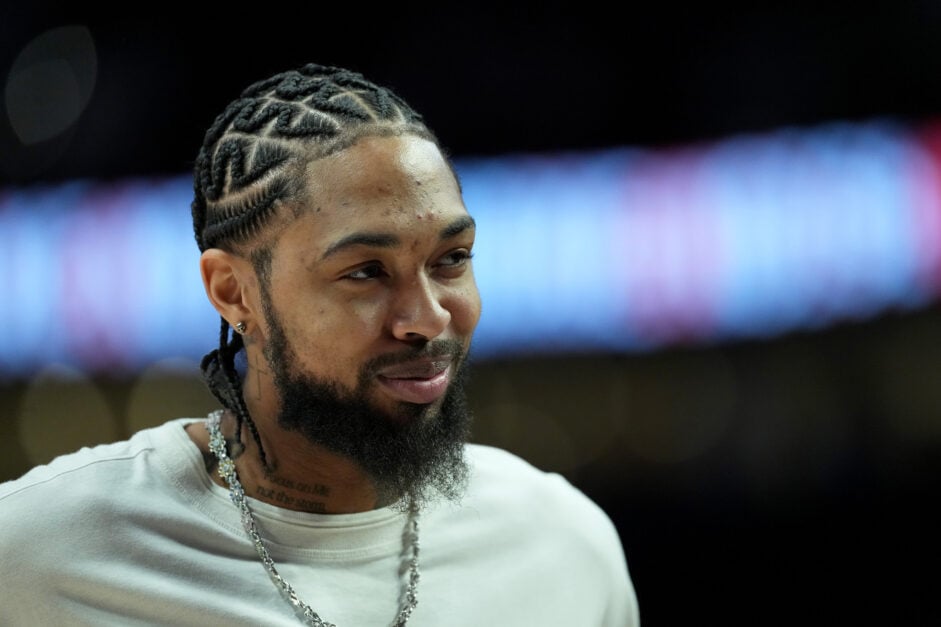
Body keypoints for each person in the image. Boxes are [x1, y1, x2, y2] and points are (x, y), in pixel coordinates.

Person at [0, 62, 640, 626]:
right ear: (234, 293)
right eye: (365, 272)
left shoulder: (563, 545)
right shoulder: (38, 551)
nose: (426, 317)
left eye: (452, 259)